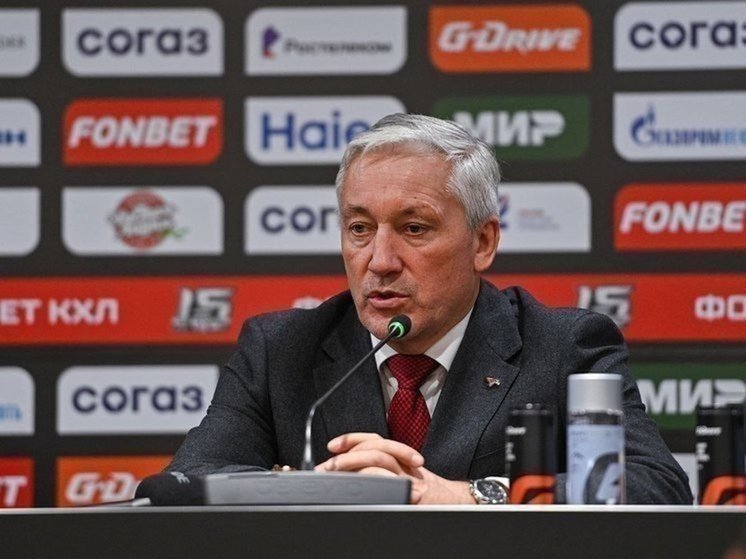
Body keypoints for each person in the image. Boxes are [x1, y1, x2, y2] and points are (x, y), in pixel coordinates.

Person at [168, 113, 692, 505]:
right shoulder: (280, 350)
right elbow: (181, 486)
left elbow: (656, 487)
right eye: (359, 229)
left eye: (414, 228)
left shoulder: (561, 349)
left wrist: (468, 495)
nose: (380, 261)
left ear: (482, 242)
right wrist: (314, 489)